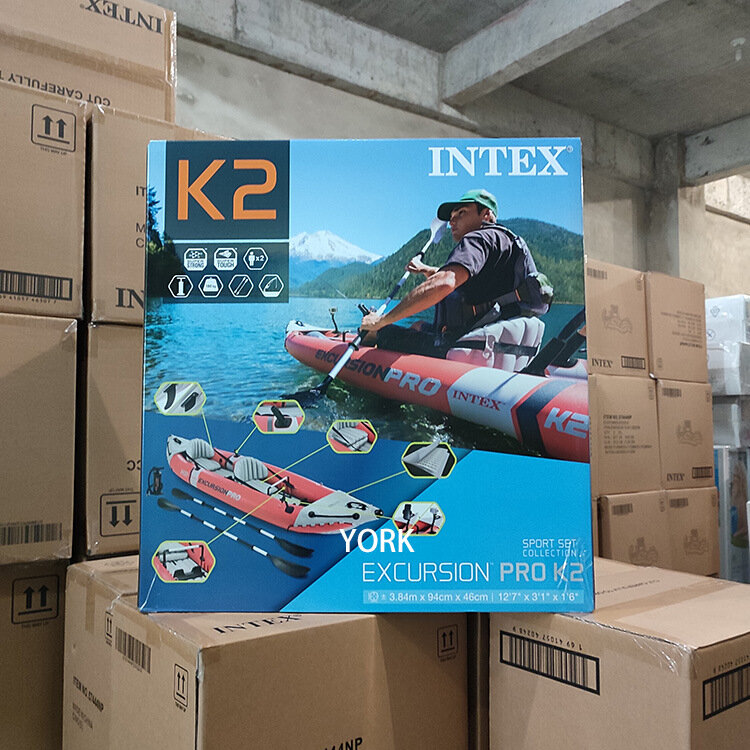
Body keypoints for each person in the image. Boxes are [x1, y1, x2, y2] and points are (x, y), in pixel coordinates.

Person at [360, 188, 548, 357]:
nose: (452, 221)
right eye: (451, 216)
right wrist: (427, 270)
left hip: (459, 346)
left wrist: (382, 321)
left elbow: (445, 282)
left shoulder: (477, 238)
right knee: (418, 325)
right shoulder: (508, 243)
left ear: (486, 214)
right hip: (496, 345)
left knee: (377, 332)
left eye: (461, 212)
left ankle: (371, 339)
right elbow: (476, 285)